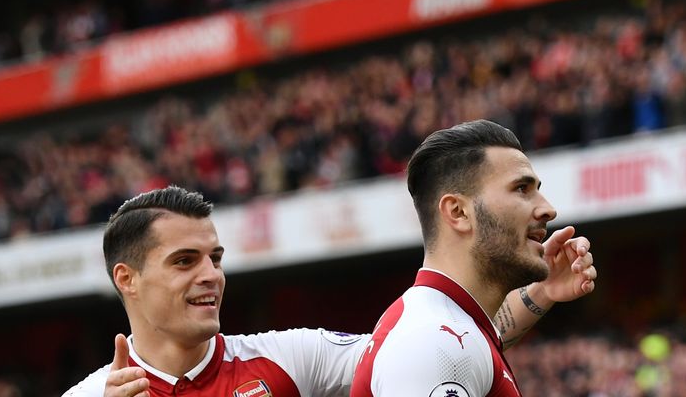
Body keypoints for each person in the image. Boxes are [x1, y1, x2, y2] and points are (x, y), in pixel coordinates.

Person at [63, 183, 594, 396]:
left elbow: (436, 345)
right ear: (126, 279)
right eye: (185, 261)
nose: (210, 275)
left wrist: (540, 295)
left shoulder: (290, 358)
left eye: (215, 258)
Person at [351, 119, 597, 396]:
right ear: (458, 212)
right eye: (521, 188)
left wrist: (542, 291)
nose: (548, 210)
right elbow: (450, 347)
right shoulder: (432, 342)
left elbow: (477, 337)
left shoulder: (440, 325)